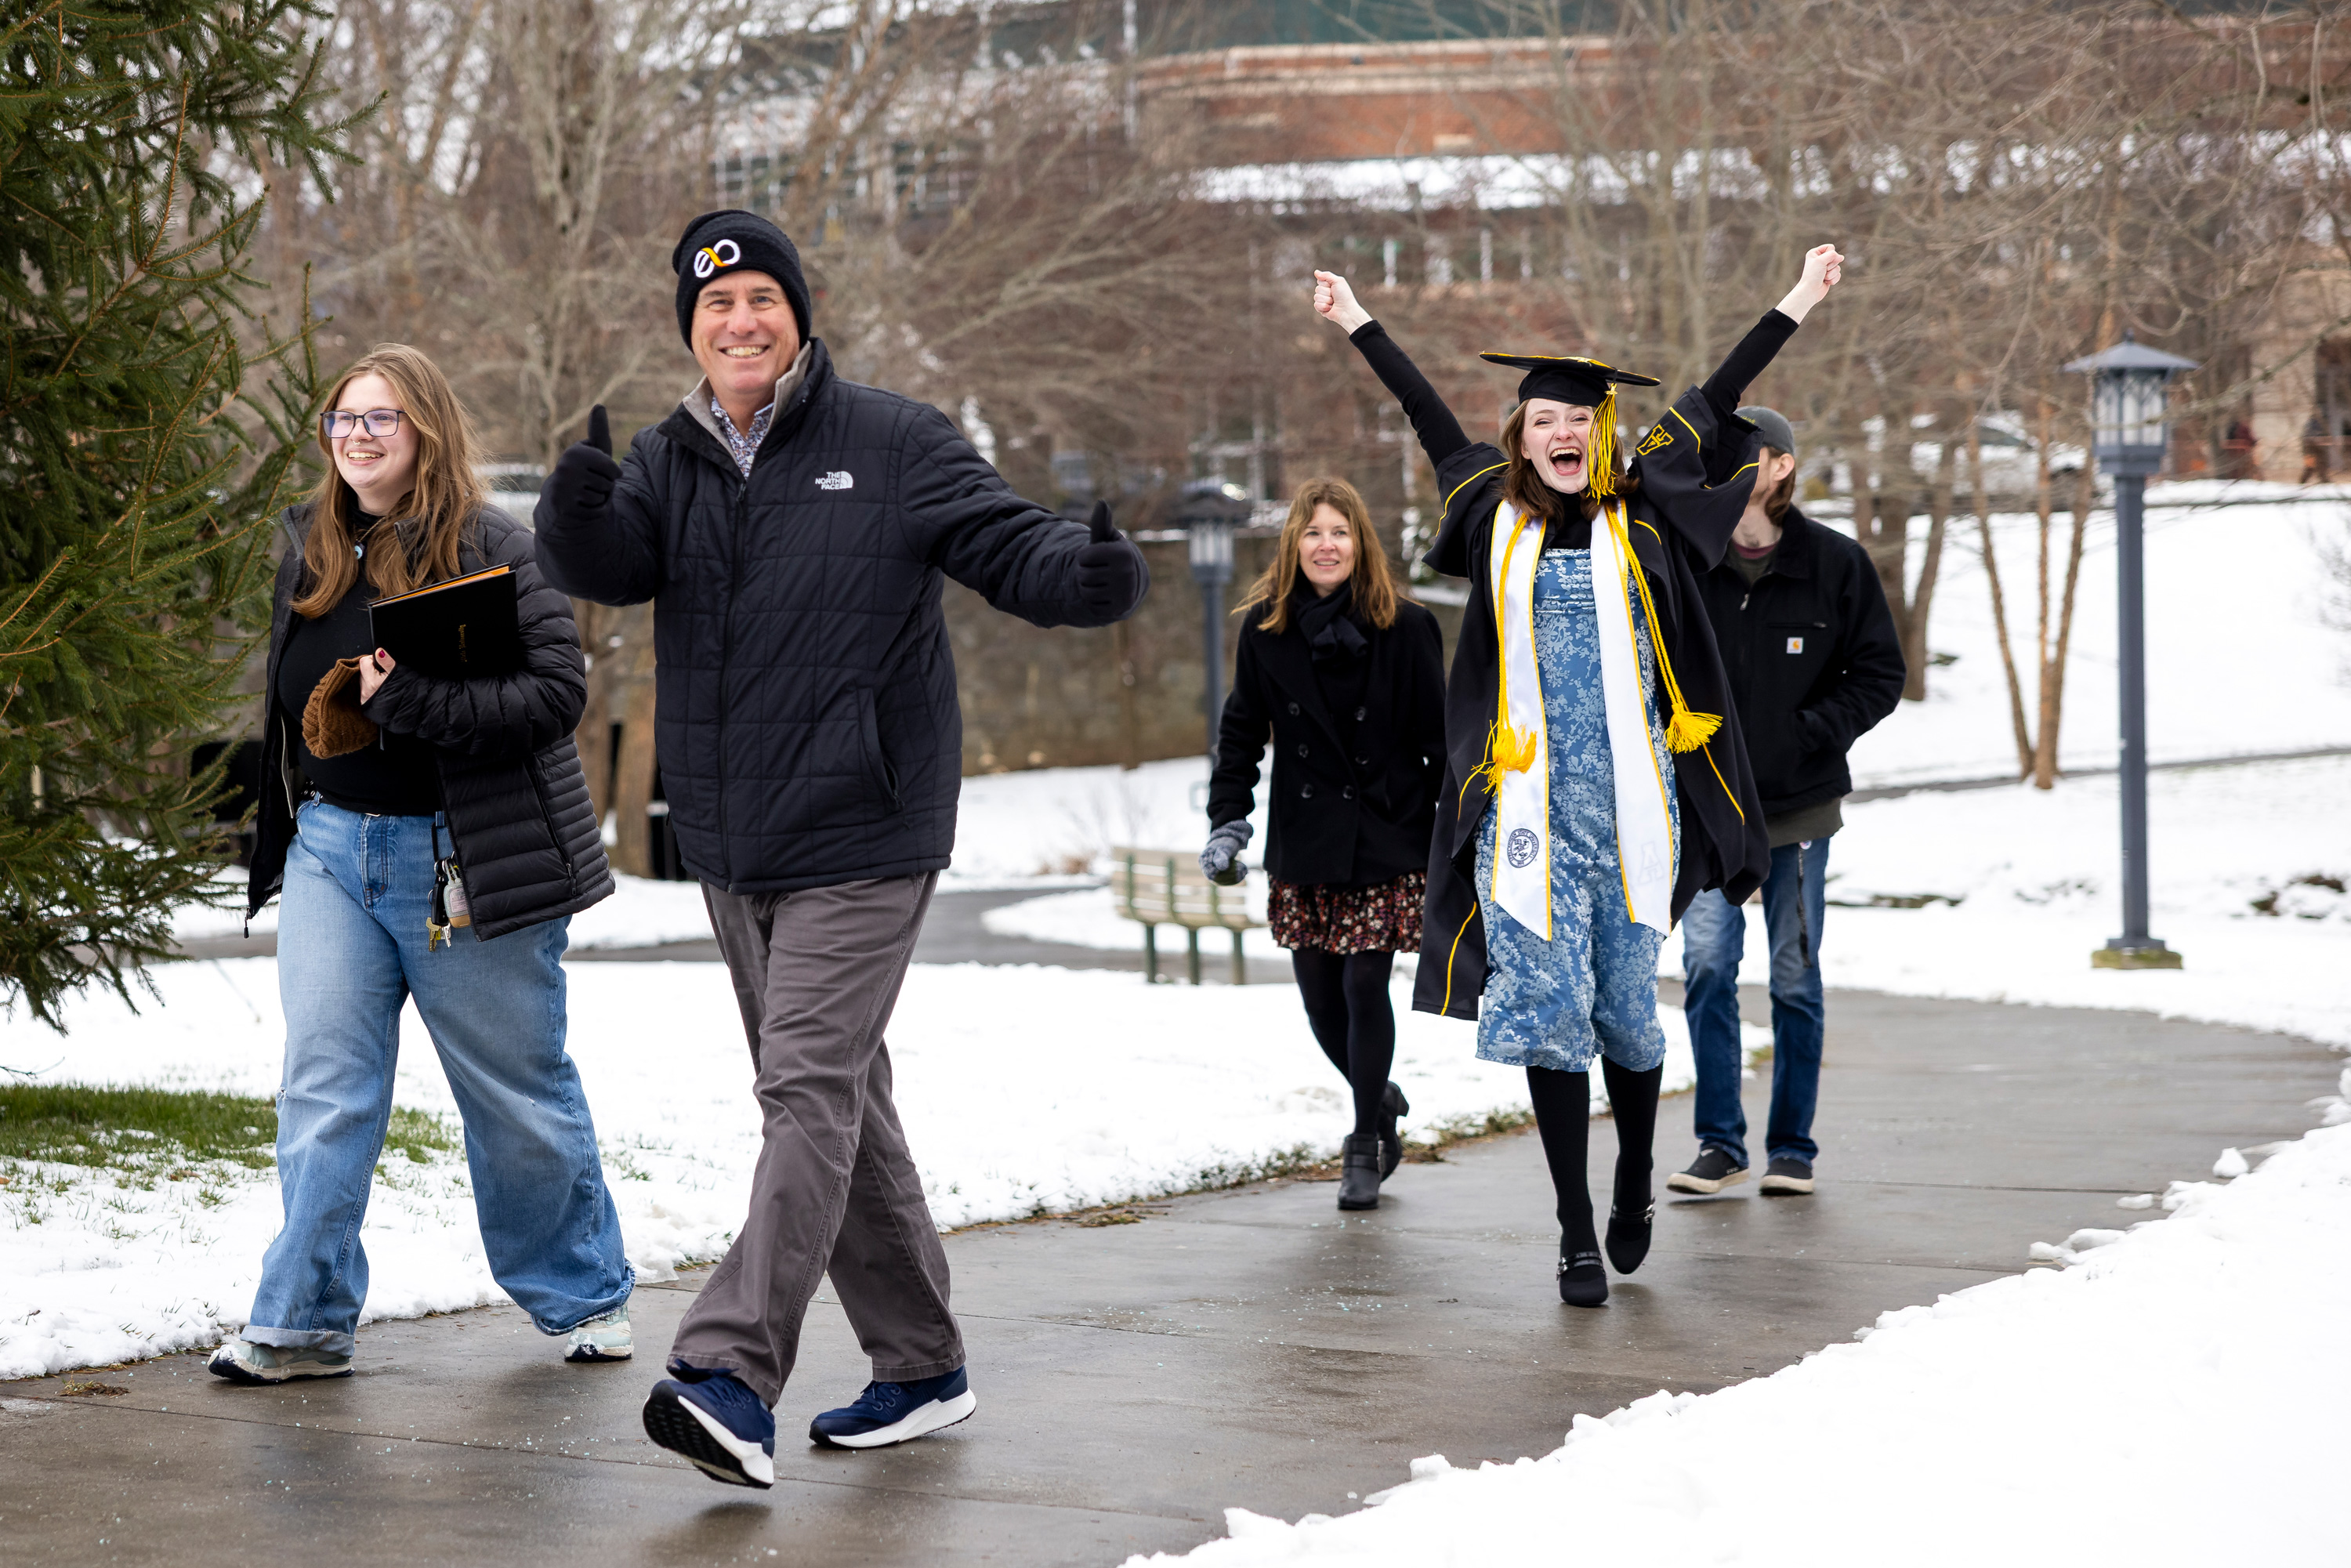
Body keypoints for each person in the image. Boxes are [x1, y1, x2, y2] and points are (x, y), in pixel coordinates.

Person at [534, 209, 1149, 1487]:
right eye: (715, 306)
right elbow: (615, 565)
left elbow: (1004, 538)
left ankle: (730, 1372)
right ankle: (921, 1364)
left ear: (799, 316)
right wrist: (575, 514)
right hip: (734, 836)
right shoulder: (668, 456)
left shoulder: (892, 439)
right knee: (843, 1098)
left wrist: (1081, 574)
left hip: (867, 823)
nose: (739, 321)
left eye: (761, 297)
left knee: (804, 1087)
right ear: (691, 332)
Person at [1312, 243, 1844, 1307]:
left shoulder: (1644, 512)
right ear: (1522, 435)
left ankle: (1634, 1176)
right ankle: (1572, 1231)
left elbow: (1719, 393)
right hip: (1527, 817)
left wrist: (1799, 296)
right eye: (1544, 418)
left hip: (1635, 814)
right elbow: (1423, 412)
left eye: (1580, 419)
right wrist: (1357, 317)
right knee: (1550, 1016)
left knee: (1629, 1020)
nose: (1563, 431)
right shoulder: (1489, 511)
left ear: (1602, 434)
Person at [213, 344, 629, 1385]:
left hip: (462, 860)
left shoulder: (493, 546)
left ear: (426, 430)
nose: (357, 437)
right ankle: (304, 1323)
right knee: (325, 1089)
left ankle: (584, 1296)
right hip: (330, 851)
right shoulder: (309, 548)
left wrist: (406, 699)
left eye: (381, 419)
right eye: (343, 419)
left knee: (514, 1094)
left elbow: (555, 696)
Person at [1668, 407, 1904, 1200]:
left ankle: (1792, 1149)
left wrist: (1809, 734)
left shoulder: (1835, 563)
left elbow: (1880, 674)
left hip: (1799, 814)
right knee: (1707, 968)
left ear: (1780, 466)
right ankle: (1719, 1143)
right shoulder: (1687, 562)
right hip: (1710, 814)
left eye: (1747, 455)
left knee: (1795, 976)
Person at [1201, 476, 1446, 1211]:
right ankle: (1381, 1095)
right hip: (1306, 840)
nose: (1326, 545)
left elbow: (1440, 739)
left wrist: (1460, 829)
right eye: (1313, 532)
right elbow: (1242, 733)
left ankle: (1364, 1141)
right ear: (1293, 544)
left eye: (1339, 531)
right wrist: (1228, 819)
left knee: (1365, 985)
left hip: (1387, 833)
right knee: (1319, 1001)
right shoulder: (1265, 629)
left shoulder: (1407, 625)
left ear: (1360, 542)